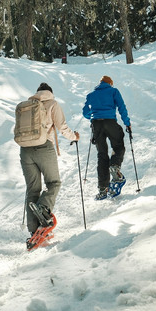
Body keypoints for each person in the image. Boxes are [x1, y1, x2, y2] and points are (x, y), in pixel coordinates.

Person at [20, 82, 79, 240]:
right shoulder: (52, 103)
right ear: (50, 93)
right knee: (54, 183)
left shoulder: (28, 105)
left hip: (25, 150)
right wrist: (75, 137)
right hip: (44, 147)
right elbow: (62, 126)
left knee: (32, 189)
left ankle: (34, 231)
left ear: (38, 92)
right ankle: (43, 210)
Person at [82, 75, 132, 200]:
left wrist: (94, 115)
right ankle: (115, 166)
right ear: (110, 83)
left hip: (96, 125)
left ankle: (103, 188)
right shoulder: (113, 91)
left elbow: (85, 112)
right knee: (118, 145)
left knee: (102, 154)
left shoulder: (91, 95)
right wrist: (127, 123)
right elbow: (121, 107)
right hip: (110, 122)